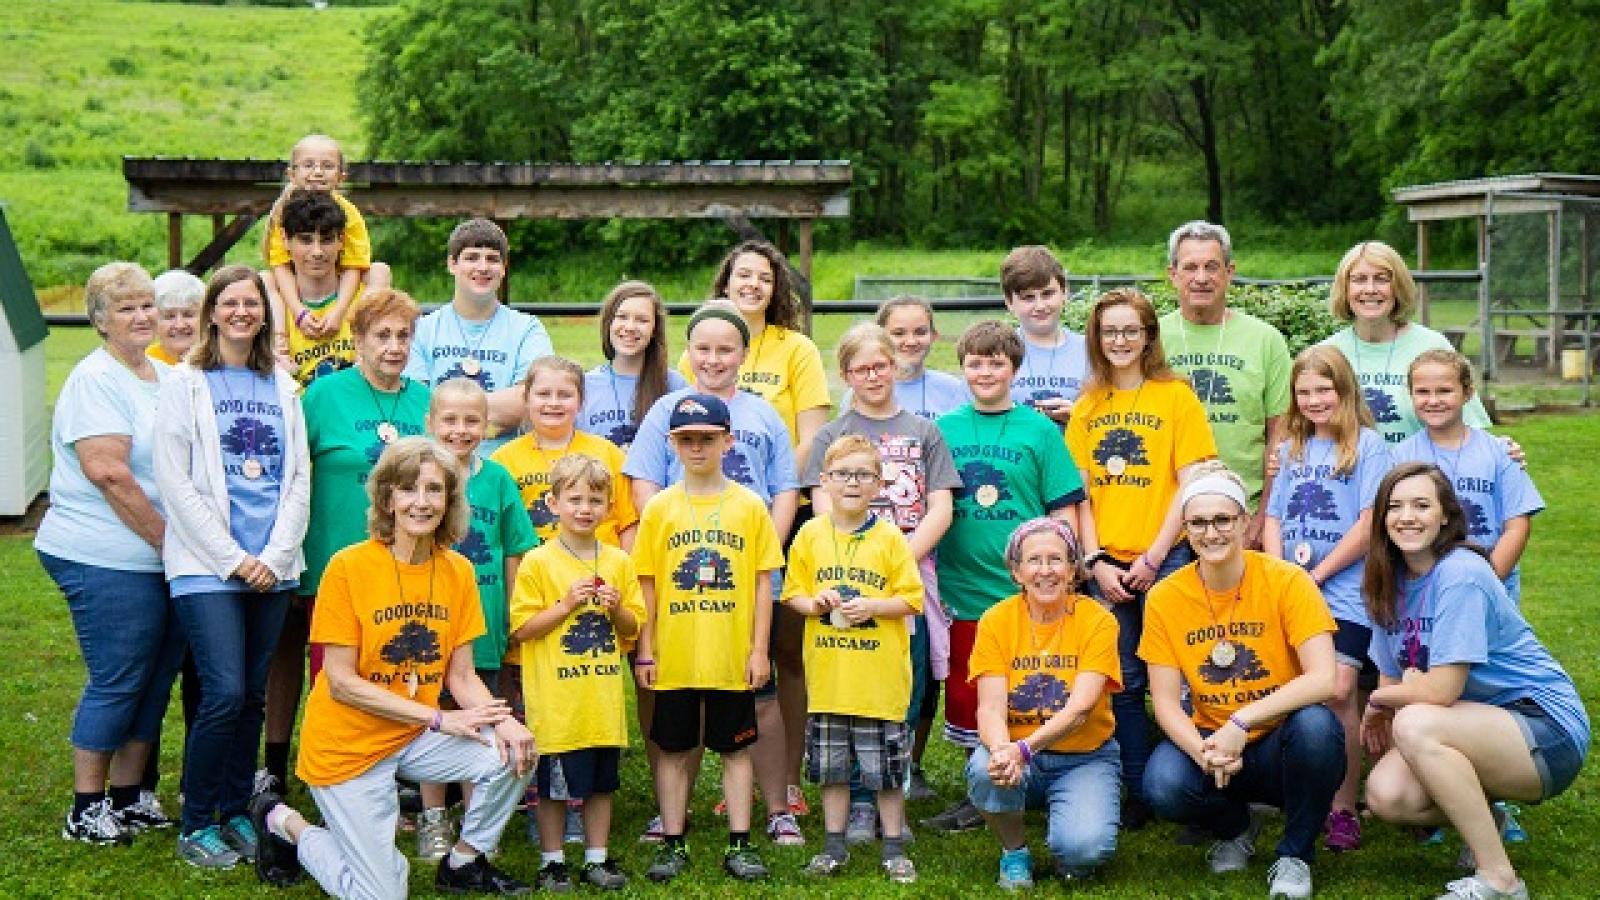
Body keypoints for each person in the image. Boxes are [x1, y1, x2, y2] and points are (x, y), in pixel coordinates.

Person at [249, 437, 535, 897]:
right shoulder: (347, 568)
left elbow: (461, 676)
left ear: (450, 500)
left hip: (413, 734)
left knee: (513, 753)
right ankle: (285, 822)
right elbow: (339, 682)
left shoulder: (458, 571)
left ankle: (463, 862)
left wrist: (504, 723)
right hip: (349, 747)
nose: (421, 502)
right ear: (386, 498)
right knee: (382, 893)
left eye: (434, 490)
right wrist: (439, 718)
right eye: (408, 489)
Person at [1361, 463, 1588, 900]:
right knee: (1387, 795)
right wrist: (1395, 698)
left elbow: (1436, 692)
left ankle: (1500, 879)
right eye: (1395, 506)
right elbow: (1397, 678)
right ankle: (1487, 819)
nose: (1407, 516)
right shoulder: (1386, 583)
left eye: (1421, 505)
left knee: (1415, 723)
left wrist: (1377, 701)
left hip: (1544, 727)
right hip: (1475, 727)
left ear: (1446, 515)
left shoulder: (1461, 572)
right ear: (1381, 518)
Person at [627, 302, 803, 846]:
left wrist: (760, 553)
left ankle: (776, 807)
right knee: (683, 691)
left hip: (747, 568)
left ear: (744, 355)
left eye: (725, 348)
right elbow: (643, 483)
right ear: (688, 352)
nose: (713, 358)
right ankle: (671, 814)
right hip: (683, 571)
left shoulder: (762, 412)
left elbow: (785, 489)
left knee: (759, 688)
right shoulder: (665, 412)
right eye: (702, 347)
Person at [152, 266, 310, 868]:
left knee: (251, 699)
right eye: (231, 302)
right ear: (211, 312)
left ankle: (238, 809)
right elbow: (176, 483)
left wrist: (271, 558)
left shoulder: (282, 384)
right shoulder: (184, 382)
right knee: (221, 692)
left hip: (273, 564)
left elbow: (297, 477)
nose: (243, 311)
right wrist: (234, 559)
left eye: (253, 303)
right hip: (205, 565)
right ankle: (197, 823)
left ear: (265, 314)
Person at [1139, 465, 1344, 900]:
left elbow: (1325, 679)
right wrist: (1204, 751)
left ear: (1245, 523)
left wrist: (1242, 722)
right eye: (1197, 522)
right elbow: (1165, 704)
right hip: (1214, 741)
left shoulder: (1288, 581)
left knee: (1318, 728)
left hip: (1277, 739)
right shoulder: (1165, 597)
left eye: (1222, 520)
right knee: (1163, 784)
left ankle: (1295, 854)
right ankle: (1235, 829)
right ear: (1185, 530)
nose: (1210, 532)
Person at [260, 289, 431, 794]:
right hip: (330, 559)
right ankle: (306, 766)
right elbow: (289, 475)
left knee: (388, 667)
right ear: (357, 339)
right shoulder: (322, 397)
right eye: (382, 335)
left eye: (403, 336)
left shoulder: (423, 400)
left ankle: (387, 769)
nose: (393, 346)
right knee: (329, 673)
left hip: (398, 565)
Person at [36, 261, 184, 845]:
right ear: (99, 321)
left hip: (157, 558)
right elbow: (110, 474)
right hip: (105, 555)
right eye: (126, 308)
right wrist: (171, 544)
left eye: (148, 304)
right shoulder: (95, 380)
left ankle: (129, 797)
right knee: (120, 676)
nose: (143, 316)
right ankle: (86, 806)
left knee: (155, 677)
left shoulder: (164, 376)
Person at [925, 321, 1085, 834]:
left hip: (1026, 592)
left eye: (997, 363)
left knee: (1031, 691)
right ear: (963, 367)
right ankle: (986, 788)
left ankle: (1037, 777)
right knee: (975, 698)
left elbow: (1063, 506)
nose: (986, 371)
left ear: (1014, 369)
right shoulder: (944, 429)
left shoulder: (1038, 429)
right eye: (976, 362)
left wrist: (1068, 570)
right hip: (963, 590)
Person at [686, 241, 830, 811]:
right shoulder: (700, 344)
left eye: (763, 278)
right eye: (742, 275)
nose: (752, 286)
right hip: (707, 525)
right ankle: (731, 780)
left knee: (781, 654)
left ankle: (787, 779)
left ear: (777, 290)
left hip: (780, 517)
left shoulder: (796, 349)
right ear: (725, 283)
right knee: (719, 651)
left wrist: (773, 507)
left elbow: (810, 436)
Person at [1067, 287, 1217, 827]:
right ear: (1097, 339)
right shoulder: (1088, 406)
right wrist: (1096, 561)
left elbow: (1191, 480)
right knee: (1125, 679)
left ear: (1149, 335)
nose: (1121, 340)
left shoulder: (1175, 396)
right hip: (1107, 564)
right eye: (1110, 332)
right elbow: (1078, 493)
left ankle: (1207, 782)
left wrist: (1154, 557)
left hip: (1169, 558)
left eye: (1131, 330)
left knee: (1189, 673)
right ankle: (1137, 788)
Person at [801, 323, 960, 831]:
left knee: (902, 683)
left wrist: (898, 557)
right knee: (847, 684)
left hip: (906, 574)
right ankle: (854, 800)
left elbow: (941, 505)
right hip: (843, 574)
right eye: (861, 368)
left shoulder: (923, 431)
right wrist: (858, 562)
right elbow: (822, 505)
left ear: (895, 365)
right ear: (846, 374)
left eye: (880, 365)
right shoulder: (832, 435)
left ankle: (890, 785)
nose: (872, 375)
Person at [631, 394, 785, 883]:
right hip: (675, 655)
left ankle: (739, 842)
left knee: (735, 749)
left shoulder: (748, 507)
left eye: (707, 438)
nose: (697, 448)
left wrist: (760, 650)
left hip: (731, 654)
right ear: (673, 444)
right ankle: (674, 841)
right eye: (687, 440)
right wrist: (646, 649)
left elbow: (763, 582)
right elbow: (649, 583)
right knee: (674, 749)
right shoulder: (659, 508)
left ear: (727, 440)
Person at [1262, 346, 1389, 852]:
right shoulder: (1292, 446)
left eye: (1324, 390)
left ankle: (1341, 807)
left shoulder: (1369, 446)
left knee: (1338, 690)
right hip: (1292, 584)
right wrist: (1279, 574)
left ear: (1344, 390)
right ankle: (1298, 795)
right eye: (1304, 392)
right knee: (1291, 687)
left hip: (1343, 589)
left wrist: (1317, 573)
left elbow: (1368, 523)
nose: (1314, 400)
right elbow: (1272, 515)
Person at [784, 434, 924, 883]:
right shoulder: (809, 535)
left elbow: (912, 600)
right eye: (842, 474)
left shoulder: (890, 539)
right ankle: (834, 845)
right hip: (829, 683)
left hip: (878, 685)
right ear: (823, 482)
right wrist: (817, 604)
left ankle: (894, 846)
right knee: (832, 769)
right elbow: (794, 596)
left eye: (862, 475)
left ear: (878, 484)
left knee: (884, 771)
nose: (851, 482)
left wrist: (874, 607)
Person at [414, 378, 539, 860]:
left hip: (484, 626)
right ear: (430, 423)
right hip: (430, 625)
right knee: (437, 721)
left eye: (472, 421)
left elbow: (513, 550)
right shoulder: (420, 481)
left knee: (483, 722)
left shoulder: (498, 478)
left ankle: (476, 823)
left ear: (487, 425)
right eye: (450, 419)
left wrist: (512, 614)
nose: (461, 430)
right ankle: (432, 819)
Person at [510, 455, 646, 892]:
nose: (585, 508)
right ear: (553, 503)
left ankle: (595, 857)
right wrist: (565, 605)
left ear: (608, 506)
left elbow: (633, 627)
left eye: (595, 500)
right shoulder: (537, 561)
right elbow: (523, 629)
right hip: (556, 702)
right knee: (552, 786)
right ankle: (552, 860)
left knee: (600, 784)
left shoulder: (619, 562)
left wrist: (617, 608)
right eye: (574, 499)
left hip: (601, 700)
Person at [966, 518, 1122, 889]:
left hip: (1085, 756)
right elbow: (989, 708)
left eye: (1057, 560)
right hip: (1018, 750)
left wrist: (1023, 750)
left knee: (1082, 853)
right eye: (1034, 560)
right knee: (983, 768)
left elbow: (1081, 709)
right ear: (1017, 572)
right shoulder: (996, 621)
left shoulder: (1098, 620)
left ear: (1073, 570)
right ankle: (1014, 850)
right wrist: (1003, 751)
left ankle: (1069, 834)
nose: (1046, 570)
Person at [1160, 221, 1292, 544]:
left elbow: (1280, 434)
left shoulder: (1266, 340)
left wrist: (1262, 517)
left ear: (1229, 271)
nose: (1201, 278)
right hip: (1165, 521)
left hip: (1240, 515)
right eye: (1190, 267)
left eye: (1212, 267)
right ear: (1173, 274)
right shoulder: (1150, 338)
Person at [1392, 350, 1543, 604]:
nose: (1433, 400)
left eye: (1444, 391)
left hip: (1492, 589)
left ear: (1467, 393)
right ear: (1411, 395)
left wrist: (1486, 583)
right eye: (1423, 392)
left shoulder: (1499, 454)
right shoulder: (1400, 457)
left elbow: (1517, 527)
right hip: (1423, 594)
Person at [1319, 241, 1492, 445]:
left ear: (1398, 287)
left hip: (1422, 474)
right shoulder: (1326, 353)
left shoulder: (1432, 346)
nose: (1370, 289)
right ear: (1345, 289)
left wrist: (1502, 451)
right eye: (1359, 280)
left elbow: (1472, 429)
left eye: (1382, 279)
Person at [405, 218, 554, 454]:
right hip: (436, 467)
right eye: (472, 257)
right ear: (452, 264)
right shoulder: (421, 329)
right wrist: (494, 410)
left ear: (504, 268)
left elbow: (530, 403)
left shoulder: (527, 329)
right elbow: (414, 405)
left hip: (503, 466)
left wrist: (446, 412)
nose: (483, 267)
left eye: (492, 259)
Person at [491, 356, 637, 548]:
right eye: (543, 394)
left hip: (599, 570)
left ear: (581, 401)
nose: (553, 403)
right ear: (526, 399)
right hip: (534, 572)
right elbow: (497, 531)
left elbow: (628, 523)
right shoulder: (503, 460)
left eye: (564, 395)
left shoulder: (607, 454)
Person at [262, 134, 389, 354]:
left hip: (340, 274)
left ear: (341, 176)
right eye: (308, 165)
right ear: (292, 174)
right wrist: (298, 312)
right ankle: (279, 338)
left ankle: (365, 329)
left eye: (327, 166)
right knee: (265, 279)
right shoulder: (282, 211)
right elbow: (280, 264)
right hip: (296, 277)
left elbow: (354, 265)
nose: (318, 172)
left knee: (379, 271)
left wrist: (340, 311)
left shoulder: (349, 213)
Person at [578, 280, 688, 449]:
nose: (630, 327)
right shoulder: (585, 386)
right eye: (621, 317)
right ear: (609, 324)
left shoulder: (675, 386)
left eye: (642, 320)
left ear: (654, 330)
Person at [272, 190, 364, 387]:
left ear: (342, 240)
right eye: (305, 240)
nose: (317, 252)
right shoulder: (270, 306)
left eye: (327, 239)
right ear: (285, 240)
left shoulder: (365, 298)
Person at [1002, 245, 1088, 425]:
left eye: (1048, 294)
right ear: (1009, 302)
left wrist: (1078, 416)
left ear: (1065, 292)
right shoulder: (996, 354)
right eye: (1028, 297)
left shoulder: (1091, 351)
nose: (1040, 306)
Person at [874, 295, 969, 420]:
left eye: (920, 332)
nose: (911, 342)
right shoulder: (864, 391)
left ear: (934, 336)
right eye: (899, 333)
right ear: (880, 338)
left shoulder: (954, 390)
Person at [148, 269, 204, 365]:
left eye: (188, 315)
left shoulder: (220, 359)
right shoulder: (145, 362)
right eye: (169, 316)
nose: (180, 325)